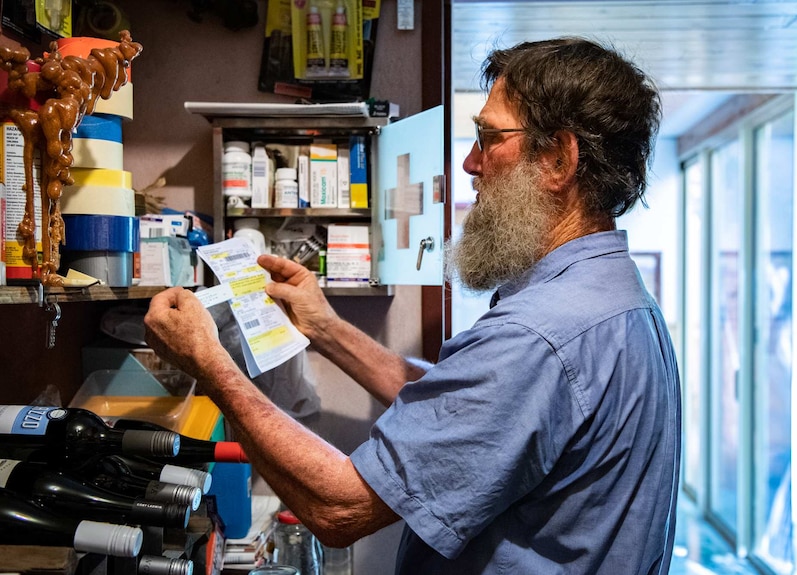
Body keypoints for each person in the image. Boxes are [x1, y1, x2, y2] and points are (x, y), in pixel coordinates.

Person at [145, 36, 681, 574]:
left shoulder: (540, 335)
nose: (470, 163)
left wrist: (210, 363)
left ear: (558, 160)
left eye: (489, 138)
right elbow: (470, 415)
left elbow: (339, 506)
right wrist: (327, 329)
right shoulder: (615, 297)